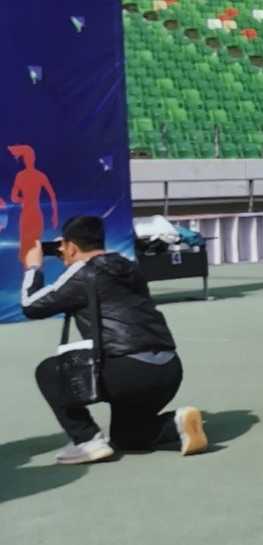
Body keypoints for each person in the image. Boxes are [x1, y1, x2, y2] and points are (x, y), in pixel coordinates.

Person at [23, 214, 206, 464]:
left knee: (49, 371)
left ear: (71, 246)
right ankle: (176, 424)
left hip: (128, 373)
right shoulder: (129, 266)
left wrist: (33, 268)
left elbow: (31, 306)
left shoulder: (83, 272)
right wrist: (69, 251)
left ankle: (87, 440)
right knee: (126, 436)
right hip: (168, 371)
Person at [9, 143, 58, 265]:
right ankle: (29, 270)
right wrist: (24, 200)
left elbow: (52, 195)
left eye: (30, 157)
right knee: (26, 247)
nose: (29, 160)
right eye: (27, 158)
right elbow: (13, 197)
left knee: (35, 245)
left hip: (35, 214)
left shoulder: (39, 175)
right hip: (26, 215)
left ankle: (35, 269)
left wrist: (55, 215)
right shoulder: (20, 176)